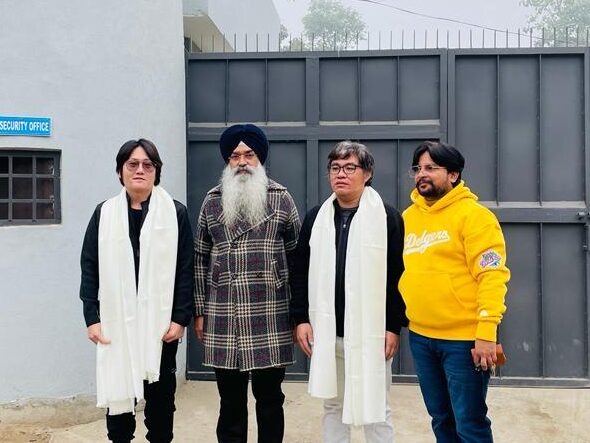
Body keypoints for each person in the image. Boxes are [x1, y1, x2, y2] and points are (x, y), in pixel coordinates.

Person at [290, 140, 407, 443]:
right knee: (333, 405)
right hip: (328, 330)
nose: (340, 174)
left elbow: (398, 276)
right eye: (335, 168)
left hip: (372, 332)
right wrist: (301, 319)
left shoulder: (387, 218)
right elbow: (299, 271)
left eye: (349, 167)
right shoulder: (316, 218)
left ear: (367, 174)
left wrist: (393, 326)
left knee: (376, 408)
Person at [79, 139, 194, 443]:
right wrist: (92, 318)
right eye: (132, 164)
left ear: (156, 172)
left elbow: (186, 269)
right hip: (116, 324)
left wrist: (180, 318)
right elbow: (89, 268)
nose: (140, 170)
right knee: (118, 403)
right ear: (120, 171)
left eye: (147, 164)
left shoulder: (175, 213)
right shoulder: (104, 214)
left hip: (161, 326)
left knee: (161, 405)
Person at [193, 123, 301, 443]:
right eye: (235, 156)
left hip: (270, 311)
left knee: (270, 399)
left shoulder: (281, 198)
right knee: (230, 401)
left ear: (260, 158)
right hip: (224, 312)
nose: (242, 162)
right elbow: (199, 258)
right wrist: (200, 310)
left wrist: (299, 313)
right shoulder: (212, 201)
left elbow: (298, 258)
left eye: (249, 154)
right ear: (227, 161)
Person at [399, 141, 510, 442]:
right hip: (420, 337)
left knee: (469, 423)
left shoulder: (475, 217)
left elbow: (492, 275)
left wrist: (486, 332)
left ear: (453, 174)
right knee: (441, 419)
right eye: (418, 168)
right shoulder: (408, 218)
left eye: (431, 168)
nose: (422, 174)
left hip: (463, 341)